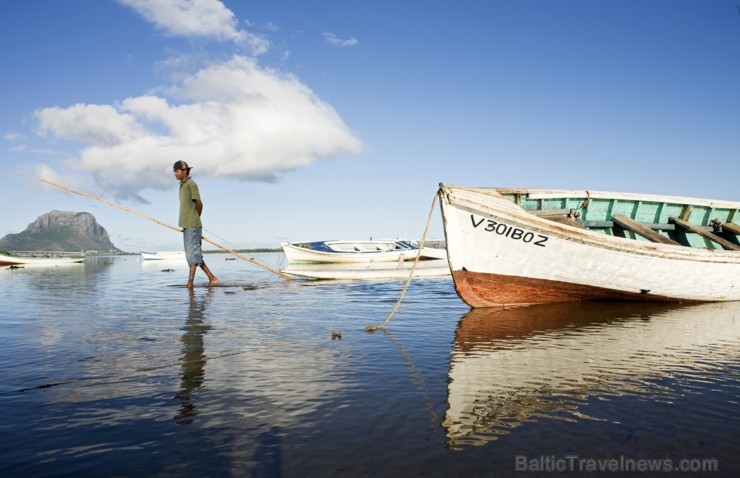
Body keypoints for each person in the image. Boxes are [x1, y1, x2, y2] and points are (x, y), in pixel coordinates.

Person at [173, 160, 218, 288]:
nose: (175, 174)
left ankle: (190, 284)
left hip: (192, 225)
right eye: (174, 172)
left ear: (185, 171)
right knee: (194, 254)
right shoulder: (182, 185)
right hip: (186, 225)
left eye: (177, 171)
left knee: (193, 255)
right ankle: (212, 278)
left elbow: (199, 204)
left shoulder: (191, 184)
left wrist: (194, 219)